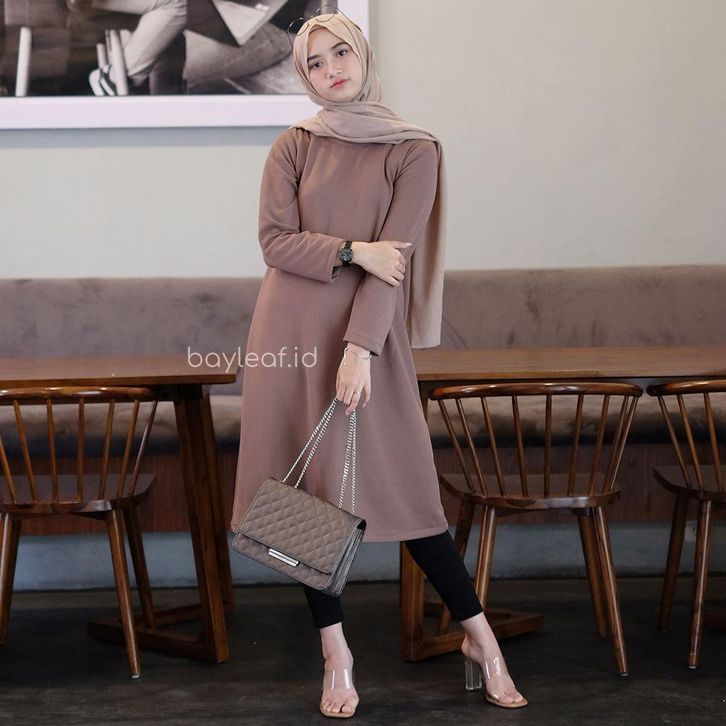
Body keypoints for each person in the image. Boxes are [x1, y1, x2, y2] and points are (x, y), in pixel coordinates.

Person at [229, 10, 527, 718]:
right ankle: (336, 654)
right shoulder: (294, 144)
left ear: (363, 56)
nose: (332, 69)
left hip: (367, 336)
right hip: (289, 333)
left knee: (409, 494)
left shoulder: (413, 148)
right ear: (303, 77)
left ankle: (482, 640)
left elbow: (395, 262)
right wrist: (349, 250)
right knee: (307, 502)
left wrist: (359, 349)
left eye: (341, 53)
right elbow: (274, 241)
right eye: (315, 62)